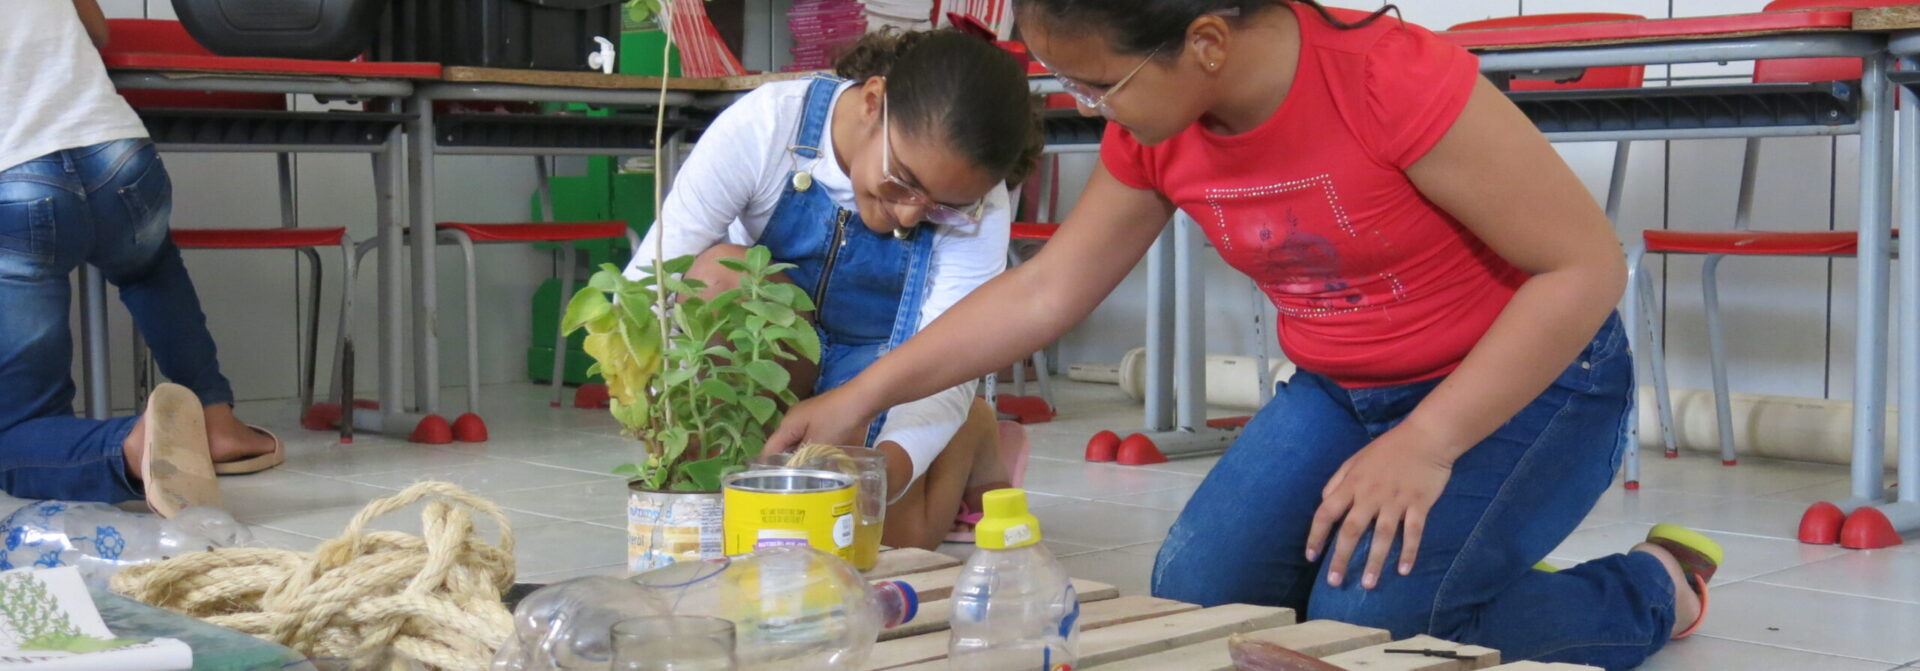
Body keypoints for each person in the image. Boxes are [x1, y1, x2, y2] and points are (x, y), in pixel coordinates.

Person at [765, 1, 1724, 668]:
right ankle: (1467, 551)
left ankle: (1652, 585)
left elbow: (1584, 268)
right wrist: (861, 394)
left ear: (1207, 43)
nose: (1090, 108)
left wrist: (1430, 445)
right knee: (1200, 596)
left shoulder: (1386, 80)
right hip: (1347, 392)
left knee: (1379, 629)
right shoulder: (1160, 124)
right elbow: (1046, 291)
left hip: (1537, 382)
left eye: (1098, 84)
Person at [624, 29, 1043, 550]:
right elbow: (649, 285)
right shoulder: (768, 123)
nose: (908, 215)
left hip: (885, 369)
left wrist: (886, 471)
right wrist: (663, 421)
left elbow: (949, 356)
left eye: (942, 208)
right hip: (771, 352)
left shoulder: (981, 205)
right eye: (903, 180)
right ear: (873, 102)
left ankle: (972, 431)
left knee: (872, 537)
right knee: (716, 278)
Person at [0, 0, 282, 514]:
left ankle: (135, 446)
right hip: (118, 153)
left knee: (17, 433)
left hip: (17, 177)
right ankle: (216, 420)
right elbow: (98, 31)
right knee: (151, 270)